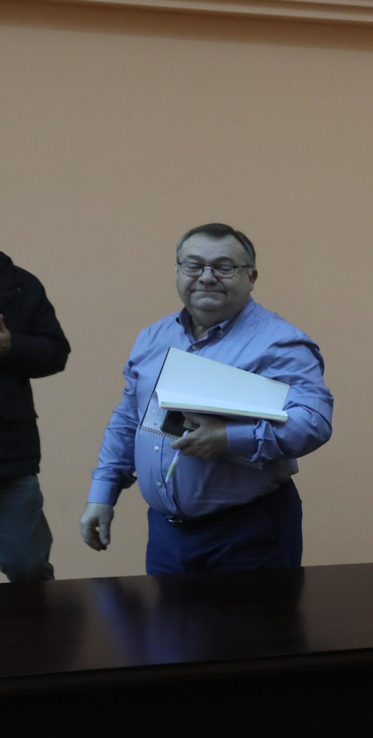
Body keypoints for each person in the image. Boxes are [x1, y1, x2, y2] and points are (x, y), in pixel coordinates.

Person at [80, 224, 333, 574]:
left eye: (224, 267)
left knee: (255, 615)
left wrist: (229, 439)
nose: (207, 277)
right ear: (178, 271)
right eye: (194, 265)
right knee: (167, 614)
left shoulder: (281, 344)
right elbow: (128, 419)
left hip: (248, 534)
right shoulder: (153, 338)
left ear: (251, 276)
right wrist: (102, 494)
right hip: (166, 536)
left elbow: (313, 422)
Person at [0, 251, 70, 582]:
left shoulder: (21, 285)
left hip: (8, 459)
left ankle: (39, 619)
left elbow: (56, 352)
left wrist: (12, 345)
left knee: (27, 566)